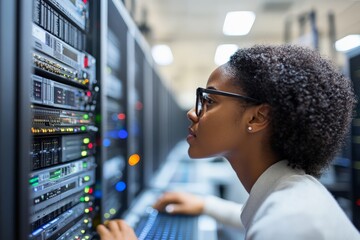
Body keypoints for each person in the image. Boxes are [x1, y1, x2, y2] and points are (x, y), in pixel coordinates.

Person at [97, 44, 360, 239]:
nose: (192, 112)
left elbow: (272, 224)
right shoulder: (288, 193)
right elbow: (251, 215)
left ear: (257, 118)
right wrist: (205, 205)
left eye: (209, 101)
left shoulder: (290, 221)